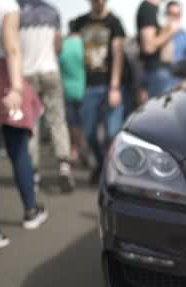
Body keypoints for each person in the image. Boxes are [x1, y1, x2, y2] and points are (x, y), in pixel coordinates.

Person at [0, 0, 49, 250]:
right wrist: (17, 89)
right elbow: (12, 49)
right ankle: (31, 210)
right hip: (3, 78)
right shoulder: (6, 5)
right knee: (18, 149)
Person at [18, 0, 75, 193]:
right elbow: (58, 45)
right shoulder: (52, 11)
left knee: (31, 123)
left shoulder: (15, 10)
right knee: (57, 120)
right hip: (50, 69)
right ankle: (64, 167)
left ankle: (33, 173)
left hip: (26, 73)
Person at [72, 0, 126, 184]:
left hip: (109, 85)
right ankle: (102, 164)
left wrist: (115, 87)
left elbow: (118, 55)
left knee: (112, 133)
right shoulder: (79, 23)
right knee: (88, 133)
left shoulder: (114, 23)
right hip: (87, 86)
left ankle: (111, 174)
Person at [60, 20, 91, 169]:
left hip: (67, 90)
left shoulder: (63, 45)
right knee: (86, 122)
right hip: (85, 88)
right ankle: (85, 149)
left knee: (73, 123)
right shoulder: (85, 46)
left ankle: (76, 148)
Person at [136, 0, 182, 97]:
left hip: (168, 74)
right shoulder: (148, 8)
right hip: (158, 73)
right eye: (170, 13)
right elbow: (149, 47)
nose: (174, 17)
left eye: (177, 14)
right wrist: (170, 31)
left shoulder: (155, 9)